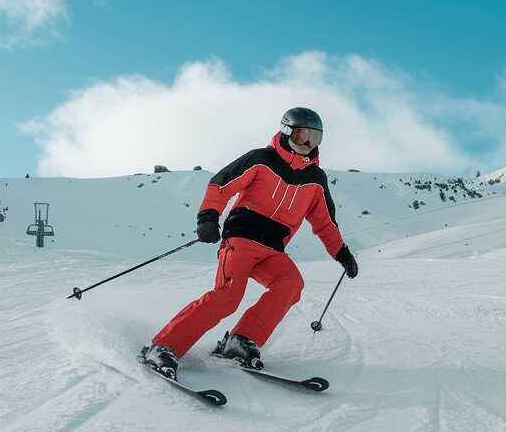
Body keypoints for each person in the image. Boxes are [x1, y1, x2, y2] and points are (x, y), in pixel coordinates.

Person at [141, 107, 358, 377]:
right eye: (303, 136)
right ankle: (163, 346)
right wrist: (208, 217)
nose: (307, 144)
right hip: (241, 239)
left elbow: (325, 221)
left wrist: (341, 252)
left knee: (290, 284)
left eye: (314, 139)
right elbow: (221, 184)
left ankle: (240, 341)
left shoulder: (315, 179)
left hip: (273, 249)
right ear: (287, 132)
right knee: (228, 297)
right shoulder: (261, 159)